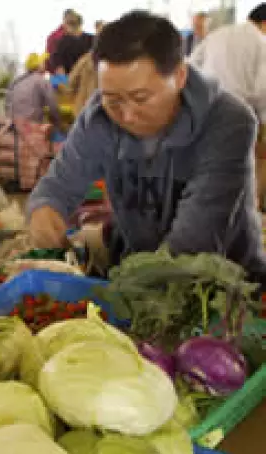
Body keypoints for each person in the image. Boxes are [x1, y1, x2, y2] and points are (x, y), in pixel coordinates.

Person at [27, 11, 266, 282]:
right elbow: (57, 186)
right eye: (113, 99)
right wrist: (44, 208)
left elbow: (193, 245)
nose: (127, 116)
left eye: (140, 98)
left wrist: (125, 291)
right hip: (136, 278)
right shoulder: (99, 118)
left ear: (180, 76)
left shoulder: (228, 122)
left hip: (224, 291)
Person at [190, 4, 266, 123]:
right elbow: (262, 89)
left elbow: (192, 64)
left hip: (207, 108)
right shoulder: (261, 42)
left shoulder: (218, 33)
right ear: (264, 23)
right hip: (241, 114)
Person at [6, 53, 60, 126]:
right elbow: (53, 105)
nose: (45, 66)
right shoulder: (42, 80)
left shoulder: (16, 81)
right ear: (39, 65)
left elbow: (8, 104)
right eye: (44, 63)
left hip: (13, 125)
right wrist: (57, 122)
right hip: (32, 127)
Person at [68, 48, 98, 114]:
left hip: (82, 108)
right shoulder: (114, 62)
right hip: (101, 112)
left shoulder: (84, 60)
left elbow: (70, 82)